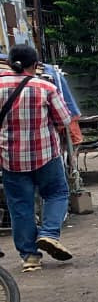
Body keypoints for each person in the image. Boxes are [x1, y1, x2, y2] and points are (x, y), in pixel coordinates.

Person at [0, 44, 73, 272]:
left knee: (20, 205)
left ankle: (30, 257)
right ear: (35, 64)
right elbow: (64, 120)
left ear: (11, 63)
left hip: (10, 158)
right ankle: (50, 233)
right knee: (57, 193)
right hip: (45, 155)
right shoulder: (46, 87)